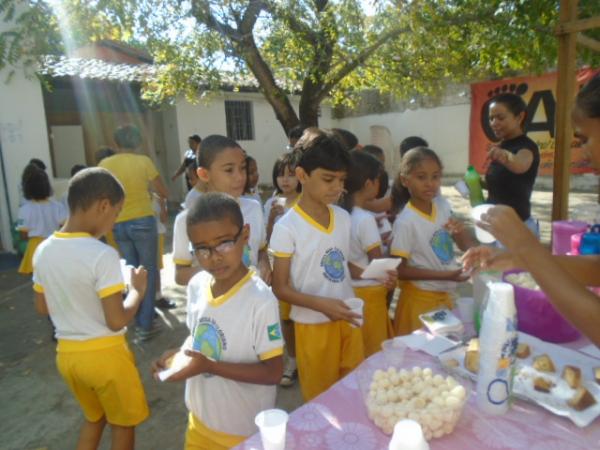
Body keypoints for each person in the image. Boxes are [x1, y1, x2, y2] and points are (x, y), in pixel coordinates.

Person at [463, 73, 600, 348]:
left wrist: (525, 246)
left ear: (520, 117)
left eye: (584, 139)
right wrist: (515, 258)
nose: (583, 152)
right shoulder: (499, 147)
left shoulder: (523, 147)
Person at [152, 193, 283, 449]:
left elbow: (274, 372)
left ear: (245, 235)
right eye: (202, 249)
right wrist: (179, 354)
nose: (214, 257)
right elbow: (198, 337)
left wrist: (209, 367)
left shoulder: (261, 301)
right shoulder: (198, 285)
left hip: (242, 432)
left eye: (224, 243)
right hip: (199, 424)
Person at [32, 167, 149, 450]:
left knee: (95, 418)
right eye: (116, 213)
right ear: (104, 205)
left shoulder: (43, 250)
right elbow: (116, 320)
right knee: (123, 423)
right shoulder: (102, 254)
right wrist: (136, 291)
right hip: (105, 358)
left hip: (68, 358)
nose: (114, 221)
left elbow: (42, 307)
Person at [271, 129, 364, 401]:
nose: (337, 187)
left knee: (352, 390)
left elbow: (341, 263)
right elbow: (280, 288)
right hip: (312, 327)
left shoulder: (343, 217)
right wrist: (323, 305)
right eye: (328, 179)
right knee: (322, 399)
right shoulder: (287, 227)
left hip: (349, 318)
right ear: (302, 175)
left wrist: (372, 274)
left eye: (341, 180)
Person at [390, 147, 474, 335]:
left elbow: (461, 243)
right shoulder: (406, 221)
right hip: (420, 300)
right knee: (420, 356)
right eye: (421, 177)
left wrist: (461, 233)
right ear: (405, 180)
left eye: (435, 177)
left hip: (446, 296)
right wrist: (447, 276)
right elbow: (400, 271)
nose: (430, 184)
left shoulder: (442, 206)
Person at [99, 124, 169, 341]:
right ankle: (145, 325)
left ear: (116, 143)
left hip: (118, 223)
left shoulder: (105, 164)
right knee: (146, 271)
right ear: (137, 142)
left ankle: (138, 316)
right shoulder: (144, 161)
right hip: (143, 221)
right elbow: (163, 191)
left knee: (131, 273)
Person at [172, 135, 269, 286]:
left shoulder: (254, 208)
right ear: (204, 174)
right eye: (229, 170)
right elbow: (180, 275)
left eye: (242, 168)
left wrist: (264, 263)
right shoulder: (186, 220)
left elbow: (261, 250)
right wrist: (223, 269)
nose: (239, 177)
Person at [343, 150, 397, 356]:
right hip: (370, 296)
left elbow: (348, 259)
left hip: (350, 292)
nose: (379, 185)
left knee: (356, 350)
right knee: (375, 351)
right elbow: (378, 264)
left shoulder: (340, 214)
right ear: (368, 184)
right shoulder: (365, 219)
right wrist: (391, 271)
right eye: (377, 180)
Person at [263, 152, 302, 387]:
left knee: (304, 316)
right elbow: (266, 243)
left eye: (290, 175)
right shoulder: (272, 203)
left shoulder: (306, 202)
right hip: (282, 272)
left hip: (303, 270)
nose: (285, 180)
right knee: (286, 320)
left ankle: (307, 359)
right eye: (280, 174)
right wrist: (270, 220)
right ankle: (293, 360)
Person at [484, 93, 540, 237]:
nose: (494, 123)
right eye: (491, 118)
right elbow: (503, 185)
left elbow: (520, 165)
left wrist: (505, 156)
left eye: (500, 118)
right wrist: (475, 183)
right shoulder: (502, 146)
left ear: (519, 117)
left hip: (517, 230)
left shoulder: (526, 147)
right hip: (495, 226)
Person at [17, 165, 67, 274]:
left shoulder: (24, 209)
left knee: (38, 278)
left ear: (27, 188)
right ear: (47, 186)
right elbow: (64, 227)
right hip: (54, 243)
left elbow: (23, 234)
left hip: (35, 246)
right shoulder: (57, 206)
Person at [153, 193, 176, 310]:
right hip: (153, 235)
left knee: (156, 266)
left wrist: (162, 204)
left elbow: (164, 218)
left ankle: (157, 296)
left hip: (157, 234)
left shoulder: (156, 198)